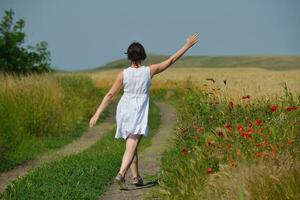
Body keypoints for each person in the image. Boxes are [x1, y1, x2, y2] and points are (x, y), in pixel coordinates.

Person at [89, 33, 199, 190]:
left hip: (124, 108)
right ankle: (121, 174)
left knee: (131, 144)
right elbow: (171, 60)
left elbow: (110, 94)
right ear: (143, 55)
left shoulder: (123, 74)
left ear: (129, 56)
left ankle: (136, 177)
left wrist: (97, 113)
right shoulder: (149, 70)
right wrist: (187, 45)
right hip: (138, 109)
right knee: (132, 143)